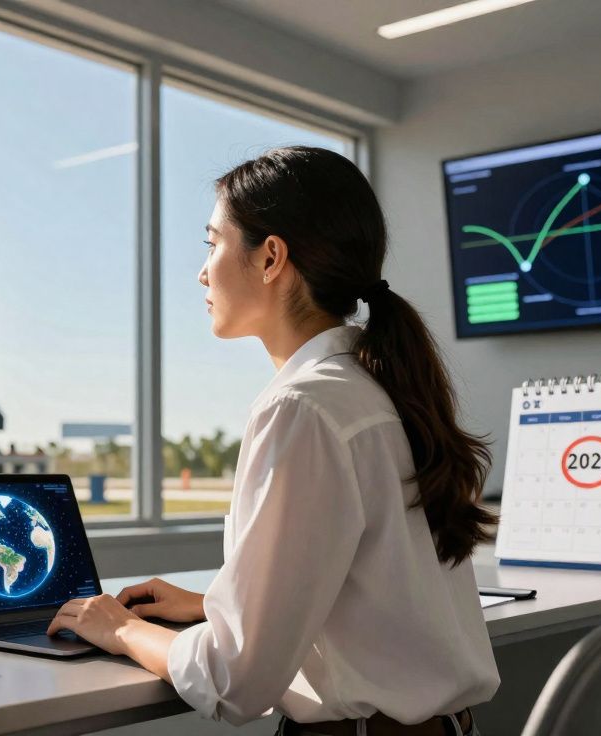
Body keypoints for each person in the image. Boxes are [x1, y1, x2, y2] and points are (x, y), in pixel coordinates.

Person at [47, 147, 500, 735]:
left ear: (271, 258)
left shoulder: (303, 408)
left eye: (212, 244)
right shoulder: (375, 386)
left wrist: (121, 629)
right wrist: (214, 605)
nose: (203, 271)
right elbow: (369, 586)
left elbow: (236, 680)